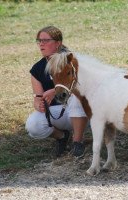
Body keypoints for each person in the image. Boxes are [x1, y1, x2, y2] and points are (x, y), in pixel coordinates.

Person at [25, 26, 88, 158]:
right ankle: (62, 136)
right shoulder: (37, 69)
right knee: (33, 125)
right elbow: (37, 98)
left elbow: (83, 87)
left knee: (76, 98)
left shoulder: (72, 61)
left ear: (58, 43)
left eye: (46, 40)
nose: (41, 44)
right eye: (39, 40)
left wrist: (55, 91)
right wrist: (39, 105)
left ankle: (77, 142)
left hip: (84, 113)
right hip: (59, 114)